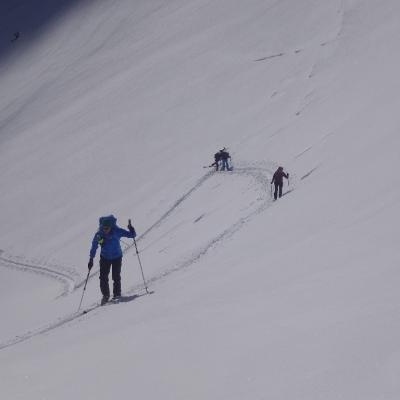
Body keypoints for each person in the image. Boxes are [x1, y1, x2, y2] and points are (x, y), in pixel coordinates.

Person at [88, 215, 136, 305]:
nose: (106, 230)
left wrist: (131, 228)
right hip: (104, 257)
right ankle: (106, 295)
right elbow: (94, 246)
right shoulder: (99, 234)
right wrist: (91, 258)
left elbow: (132, 235)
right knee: (103, 277)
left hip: (116, 257)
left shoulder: (117, 231)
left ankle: (117, 294)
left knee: (116, 276)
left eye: (107, 228)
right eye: (104, 228)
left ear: (111, 227)